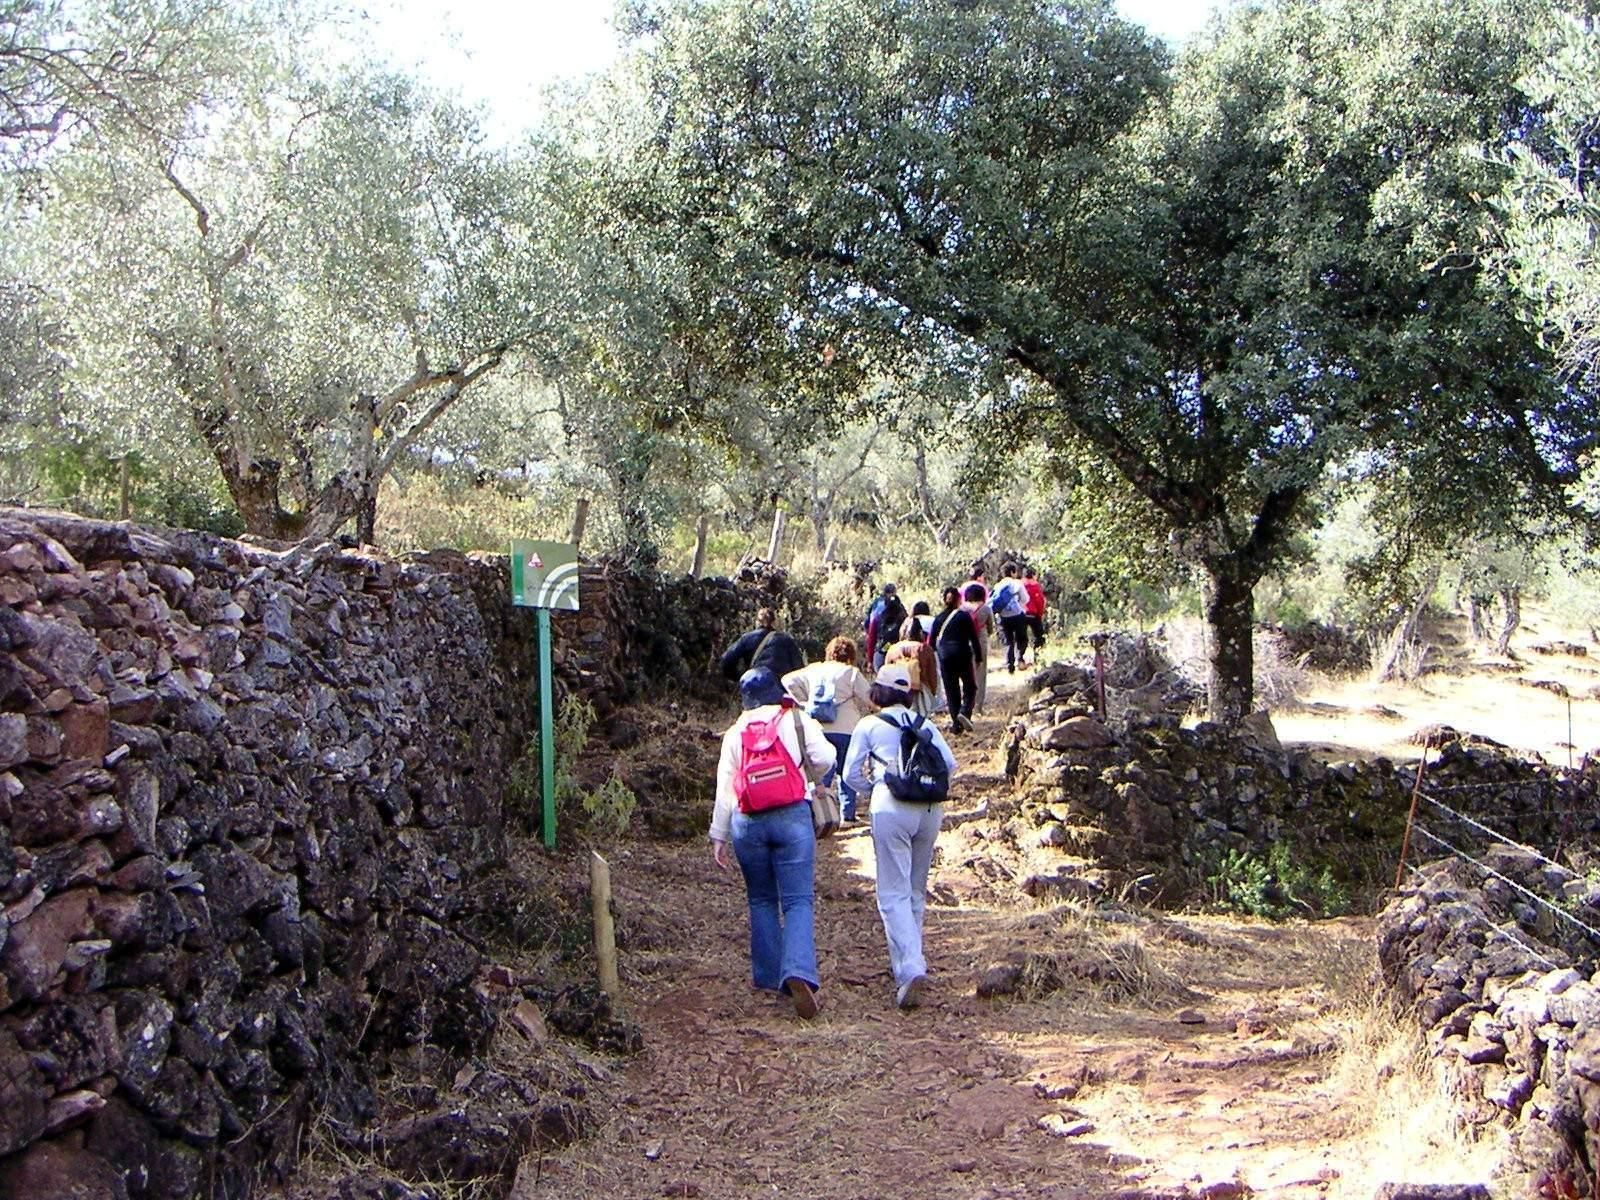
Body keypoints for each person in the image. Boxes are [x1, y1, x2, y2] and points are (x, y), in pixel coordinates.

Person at [710, 667, 837, 1018]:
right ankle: (797, 971)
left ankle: (767, 975)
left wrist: (718, 835)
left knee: (761, 899)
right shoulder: (795, 720)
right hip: (792, 815)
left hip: (747, 822)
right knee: (797, 901)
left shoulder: (735, 733)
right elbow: (826, 758)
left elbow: (724, 790)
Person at [843, 664, 958, 1010]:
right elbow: (949, 765)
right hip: (929, 809)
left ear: (878, 692)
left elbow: (850, 774)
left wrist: (877, 786)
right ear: (908, 693)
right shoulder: (925, 725)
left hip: (890, 807)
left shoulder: (868, 725)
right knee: (914, 891)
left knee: (891, 893)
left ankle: (910, 967)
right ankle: (907, 966)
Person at [782, 637, 876, 822]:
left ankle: (817, 815)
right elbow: (870, 698)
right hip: (846, 729)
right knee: (845, 772)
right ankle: (847, 816)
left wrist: (804, 702)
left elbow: (788, 680)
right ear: (850, 655)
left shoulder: (814, 669)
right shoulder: (851, 672)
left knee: (820, 775)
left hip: (817, 728)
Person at [928, 586, 981, 733]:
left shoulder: (938, 619)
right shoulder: (964, 616)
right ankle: (964, 713)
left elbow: (931, 643)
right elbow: (974, 638)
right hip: (963, 654)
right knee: (970, 686)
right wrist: (979, 657)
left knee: (952, 690)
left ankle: (956, 724)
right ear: (959, 599)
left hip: (945, 656)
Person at [720, 607, 805, 682]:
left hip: (754, 685)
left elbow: (726, 660)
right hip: (780, 689)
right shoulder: (786, 640)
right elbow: (799, 669)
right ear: (774, 622)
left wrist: (739, 677)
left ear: (757, 622)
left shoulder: (746, 638)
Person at [883, 619, 940, 718]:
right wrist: (933, 693)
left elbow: (886, 675)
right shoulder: (925, 649)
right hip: (919, 693)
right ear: (920, 632)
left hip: (897, 692)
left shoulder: (892, 649)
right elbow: (932, 676)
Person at [990, 563, 1030, 674]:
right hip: (1018, 615)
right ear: (1013, 572)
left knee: (1008, 641)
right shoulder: (1017, 583)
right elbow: (1026, 599)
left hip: (1003, 617)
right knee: (1021, 639)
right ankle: (1020, 659)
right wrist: (1019, 606)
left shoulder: (998, 585)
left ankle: (1010, 664)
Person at [961, 582, 995, 713]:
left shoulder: (963, 609)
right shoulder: (986, 609)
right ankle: (978, 706)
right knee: (980, 674)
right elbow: (991, 628)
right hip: (981, 642)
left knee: (966, 674)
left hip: (964, 643)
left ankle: (965, 704)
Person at [863, 584, 907, 673]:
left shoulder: (877, 608)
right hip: (898, 652)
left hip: (882, 649)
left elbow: (871, 636)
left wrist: (870, 660)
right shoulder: (901, 611)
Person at [1022, 566, 1047, 665]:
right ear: (1033, 575)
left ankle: (1019, 658)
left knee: (1021, 637)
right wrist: (1040, 613)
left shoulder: (1019, 584)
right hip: (1033, 614)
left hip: (1021, 614)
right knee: (1039, 637)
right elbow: (1039, 601)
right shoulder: (1035, 585)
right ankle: (1037, 657)